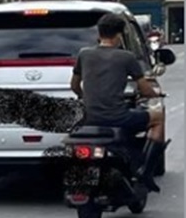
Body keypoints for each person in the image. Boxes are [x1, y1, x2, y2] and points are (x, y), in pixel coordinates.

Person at [70, 13, 166, 192]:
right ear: (119, 36)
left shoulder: (84, 54)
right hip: (117, 117)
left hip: (89, 117)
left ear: (99, 34)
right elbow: (145, 89)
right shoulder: (126, 57)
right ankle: (145, 170)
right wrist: (156, 96)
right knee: (158, 118)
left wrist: (85, 97)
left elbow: (74, 85)